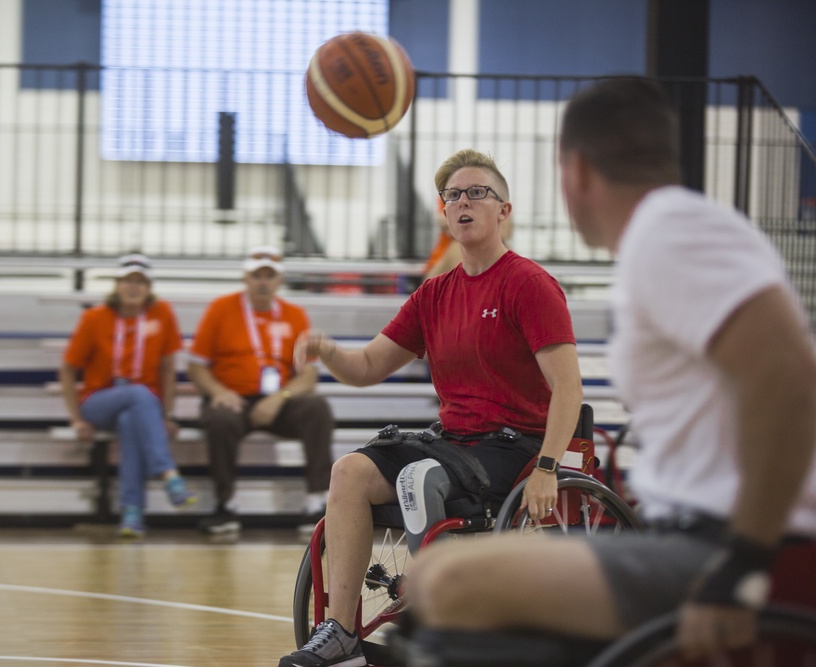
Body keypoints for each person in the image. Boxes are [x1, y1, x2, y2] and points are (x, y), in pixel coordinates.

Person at [401, 77, 816, 666]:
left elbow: (793, 384)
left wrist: (741, 567)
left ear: (576, 172)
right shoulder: (671, 233)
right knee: (445, 582)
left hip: (737, 551)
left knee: (446, 583)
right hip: (699, 535)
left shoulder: (669, 236)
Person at [279, 148, 583, 667]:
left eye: (476, 192)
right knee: (350, 471)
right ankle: (343, 631)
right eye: (453, 195)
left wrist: (548, 468)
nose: (463, 201)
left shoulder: (529, 284)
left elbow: (568, 389)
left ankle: (433, 624)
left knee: (418, 477)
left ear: (503, 210)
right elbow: (369, 367)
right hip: (456, 445)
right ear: (445, 213)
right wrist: (329, 351)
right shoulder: (433, 294)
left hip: (517, 446)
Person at [186, 246, 334, 534]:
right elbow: (196, 367)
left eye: (269, 275)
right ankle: (226, 505)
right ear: (246, 278)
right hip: (232, 398)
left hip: (277, 399)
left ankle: (317, 502)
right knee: (219, 418)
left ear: (279, 280)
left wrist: (280, 398)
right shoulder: (220, 309)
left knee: (317, 408)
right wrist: (218, 392)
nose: (263, 281)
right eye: (257, 275)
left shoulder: (295, 315)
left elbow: (309, 375)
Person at [60, 253, 197, 538]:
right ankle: (168, 473)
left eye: (140, 282)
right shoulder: (94, 318)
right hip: (99, 401)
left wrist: (167, 415)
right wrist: (75, 419)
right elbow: (68, 369)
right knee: (138, 395)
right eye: (128, 281)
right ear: (117, 284)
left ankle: (132, 513)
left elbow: (168, 370)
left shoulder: (162, 314)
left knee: (130, 420)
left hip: (143, 406)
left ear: (149, 287)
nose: (134, 287)